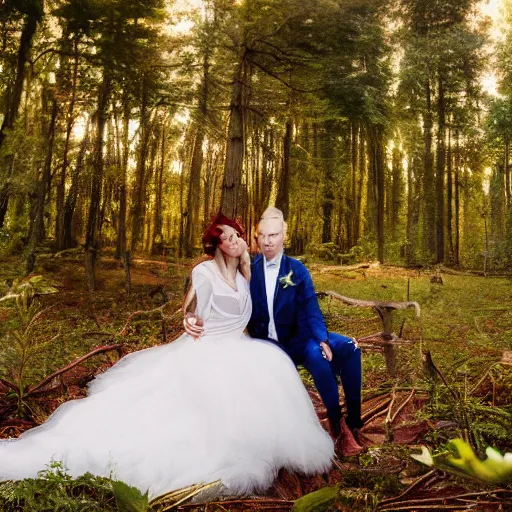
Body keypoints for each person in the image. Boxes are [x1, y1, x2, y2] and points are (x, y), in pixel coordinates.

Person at [0, 212, 333, 499]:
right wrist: (189, 320)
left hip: (242, 347)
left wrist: (248, 263)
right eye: (227, 238)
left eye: (237, 235)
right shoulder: (205, 273)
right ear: (216, 246)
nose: (234, 241)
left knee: (273, 371)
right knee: (199, 413)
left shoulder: (248, 271)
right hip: (209, 349)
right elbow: (197, 312)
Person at [186, 207, 364, 457]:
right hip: (269, 346)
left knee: (348, 348)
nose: (268, 241)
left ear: (284, 236)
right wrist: (189, 315)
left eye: (274, 235)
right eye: (263, 235)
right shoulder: (249, 268)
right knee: (318, 356)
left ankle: (353, 422)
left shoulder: (297, 270)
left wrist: (322, 338)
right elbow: (212, 279)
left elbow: (312, 307)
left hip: (300, 340)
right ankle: (335, 422)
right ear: (257, 237)